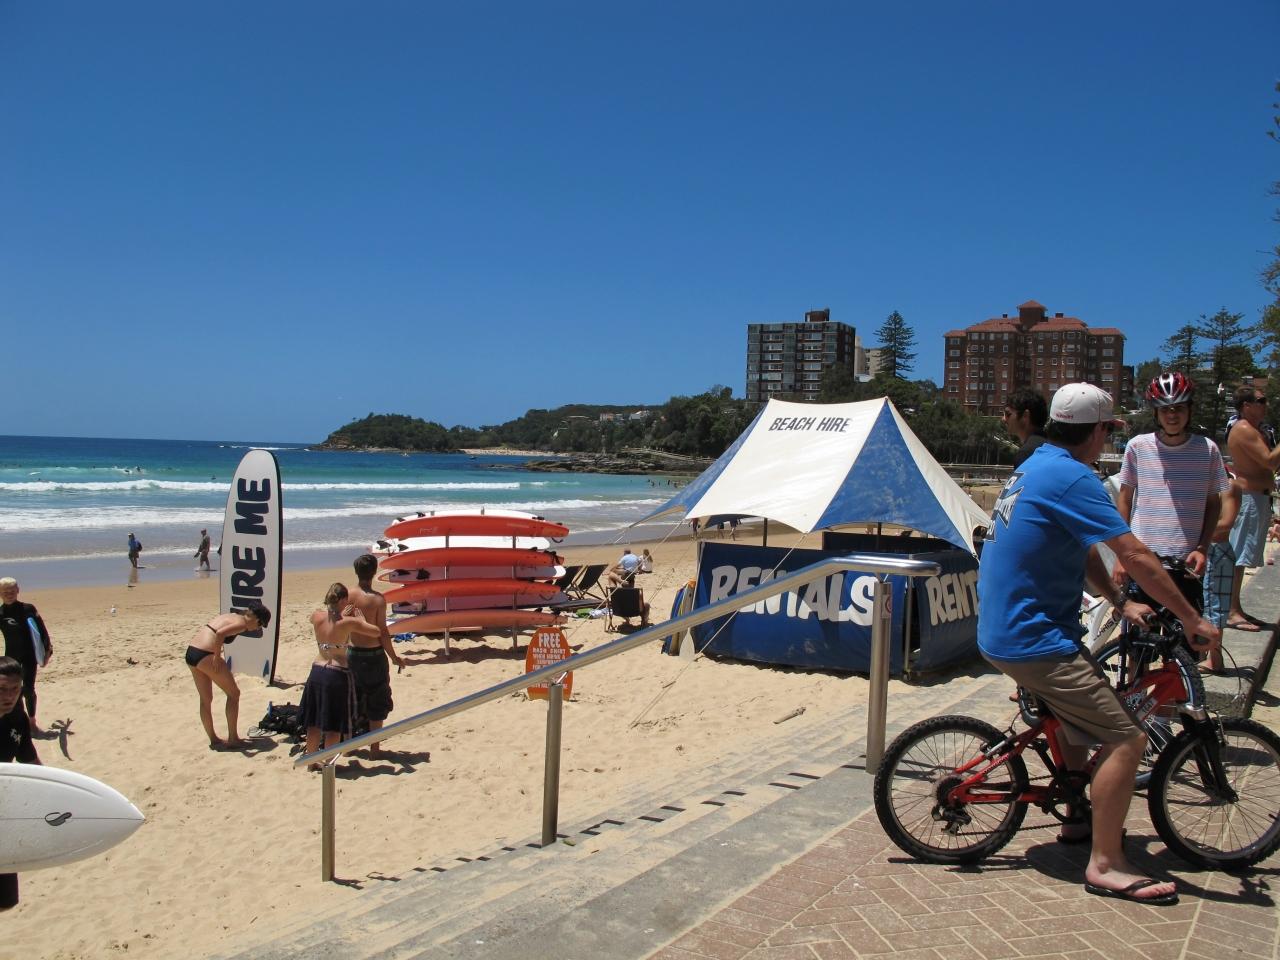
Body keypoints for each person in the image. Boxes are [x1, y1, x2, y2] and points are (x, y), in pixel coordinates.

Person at [978, 383, 1219, 906]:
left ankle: (1076, 816)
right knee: (1127, 739)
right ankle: (1106, 864)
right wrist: (1191, 618)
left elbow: (1083, 546)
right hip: (1035, 639)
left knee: (1074, 722)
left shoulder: (1039, 464)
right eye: (1109, 430)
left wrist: (1118, 601)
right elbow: (1134, 555)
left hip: (1013, 630)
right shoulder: (1073, 476)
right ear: (1098, 431)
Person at [1111, 372, 1230, 620]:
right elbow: (1125, 500)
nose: (1172, 415)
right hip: (1142, 562)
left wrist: (1202, 548)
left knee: (1186, 637)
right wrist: (1122, 555)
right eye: (1165, 409)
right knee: (1139, 638)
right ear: (1156, 413)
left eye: (1179, 408)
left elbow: (1213, 503)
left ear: (1190, 410)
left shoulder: (1208, 449)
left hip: (1186, 564)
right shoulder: (1137, 447)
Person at [299, 583, 382, 768]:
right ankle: (329, 764)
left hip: (317, 670)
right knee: (334, 725)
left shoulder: (317, 616)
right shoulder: (348, 622)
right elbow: (375, 631)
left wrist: (339, 613)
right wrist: (360, 620)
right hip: (335, 673)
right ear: (344, 600)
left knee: (313, 723)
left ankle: (311, 761)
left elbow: (326, 620)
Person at [1225, 386, 1280, 630]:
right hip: (1248, 499)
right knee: (1238, 556)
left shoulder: (1253, 429)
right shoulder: (1244, 429)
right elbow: (1269, 461)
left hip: (1256, 498)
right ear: (1246, 405)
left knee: (1243, 556)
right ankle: (1231, 612)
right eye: (1261, 400)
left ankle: (1236, 608)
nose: (1266, 404)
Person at [184, 601, 270, 750]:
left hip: (192, 652)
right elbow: (220, 634)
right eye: (260, 625)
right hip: (206, 654)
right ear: (256, 619)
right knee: (234, 694)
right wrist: (217, 657)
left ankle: (214, 740)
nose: (257, 628)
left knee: (206, 700)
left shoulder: (233, 616)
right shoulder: (242, 623)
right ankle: (233, 739)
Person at [346, 554, 405, 757]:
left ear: (356, 571)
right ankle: (374, 749)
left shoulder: (347, 595)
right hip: (374, 654)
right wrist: (394, 657)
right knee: (377, 701)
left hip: (352, 653)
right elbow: (383, 632)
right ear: (373, 573)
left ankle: (348, 747)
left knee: (352, 699)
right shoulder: (378, 600)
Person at [0, 656, 40, 910]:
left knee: (6, 902)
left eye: (15, 690)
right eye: (2, 689)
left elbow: (30, 762)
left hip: (3, 818)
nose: (9, 696)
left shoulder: (18, 720)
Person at [0, 577, 52, 734]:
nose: (9, 594)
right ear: (0, 593)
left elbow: (42, 630)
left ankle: (31, 722)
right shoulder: (1, 613)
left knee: (28, 689)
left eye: (12, 591)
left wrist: (47, 651)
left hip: (30, 655)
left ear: (18, 590)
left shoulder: (28, 608)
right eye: (5, 592)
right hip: (11, 657)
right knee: (13, 690)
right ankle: (18, 721)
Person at [1001, 388, 1049, 468]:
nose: (1003, 419)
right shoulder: (1052, 446)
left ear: (1025, 416)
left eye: (1008, 414)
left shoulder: (1026, 454)